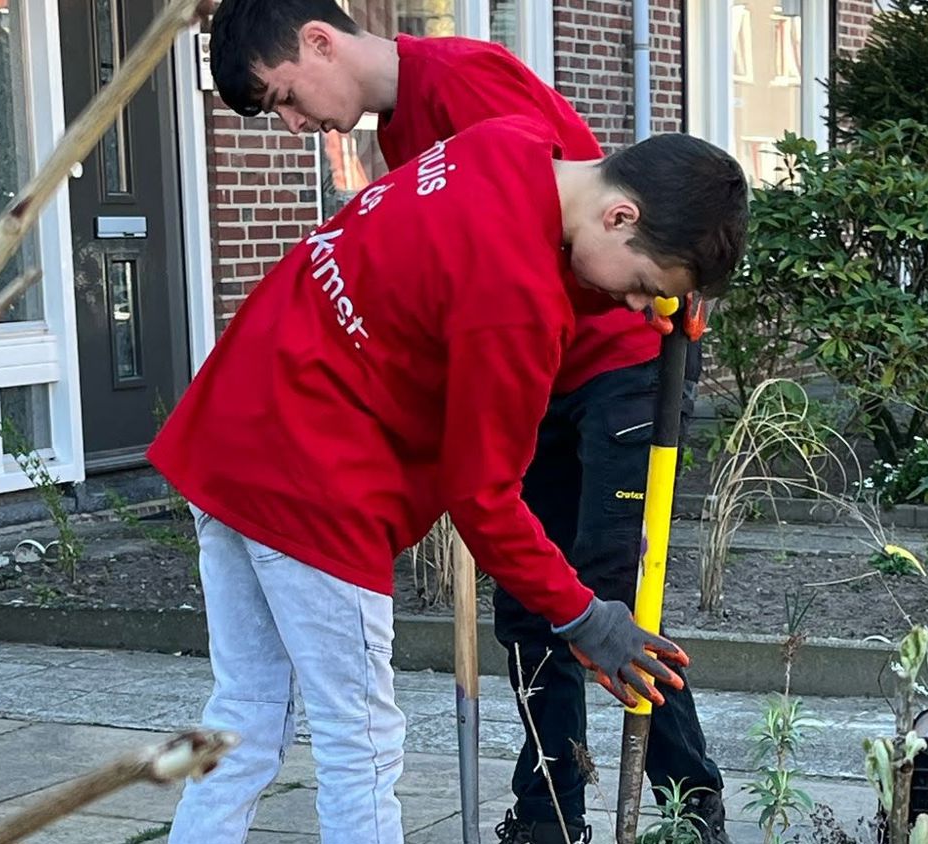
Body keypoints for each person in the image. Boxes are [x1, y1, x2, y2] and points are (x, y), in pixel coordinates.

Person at [206, 3, 734, 842]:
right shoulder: (511, 283)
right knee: (539, 616)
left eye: (285, 99)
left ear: (319, 41)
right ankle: (549, 814)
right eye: (647, 286)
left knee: (606, 598)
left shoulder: (487, 118)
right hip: (327, 460)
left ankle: (684, 809)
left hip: (597, 384)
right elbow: (480, 475)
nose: (647, 304)